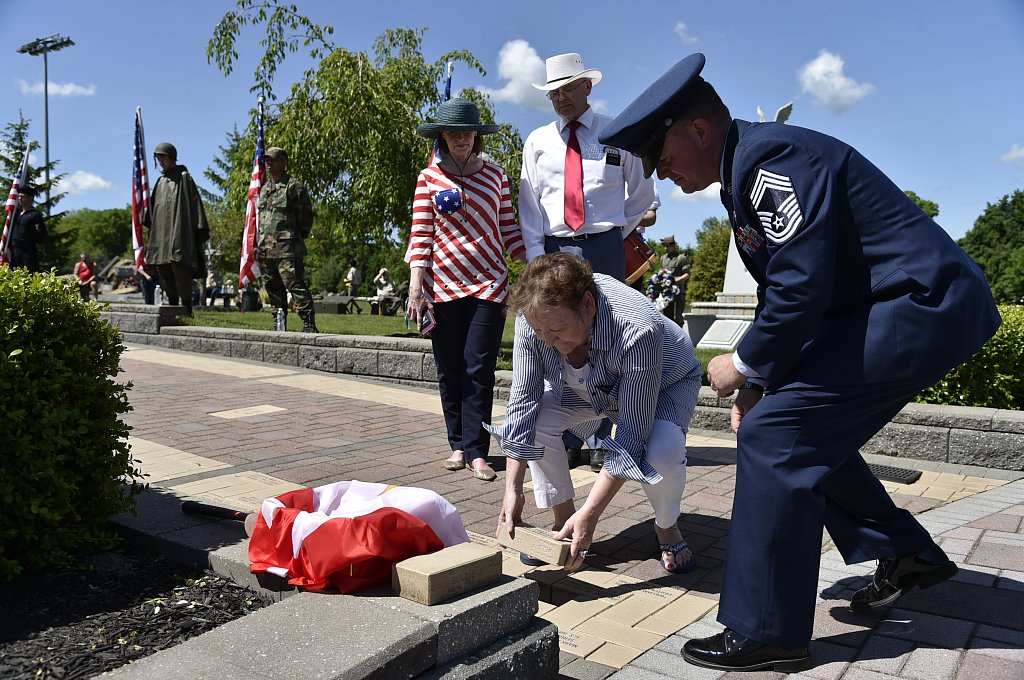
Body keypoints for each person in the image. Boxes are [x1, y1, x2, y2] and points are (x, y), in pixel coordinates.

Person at [599, 52, 1001, 672]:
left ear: (698, 130)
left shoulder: (768, 161)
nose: (663, 173)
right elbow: (795, 285)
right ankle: (903, 550)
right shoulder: (745, 172)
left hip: (921, 304)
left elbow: (801, 285)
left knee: (776, 437)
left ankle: (768, 631)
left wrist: (743, 364)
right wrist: (762, 382)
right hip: (888, 308)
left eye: (663, 156)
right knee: (796, 427)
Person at [489, 252, 702, 573]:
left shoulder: (636, 328)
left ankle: (666, 525)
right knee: (538, 421)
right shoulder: (534, 318)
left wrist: (592, 513)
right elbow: (522, 405)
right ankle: (563, 522)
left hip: (665, 383)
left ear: (588, 305)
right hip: (588, 385)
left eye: (555, 331)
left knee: (662, 452)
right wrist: (513, 489)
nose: (546, 341)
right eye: (539, 332)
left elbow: (631, 437)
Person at [521, 53, 658, 472]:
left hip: (603, 247)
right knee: (558, 339)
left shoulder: (618, 134)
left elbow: (640, 196)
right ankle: (567, 433)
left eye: (567, 89)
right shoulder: (538, 142)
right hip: (555, 248)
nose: (560, 98)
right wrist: (535, 261)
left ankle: (602, 435)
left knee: (605, 336)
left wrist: (612, 235)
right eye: (552, 93)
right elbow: (529, 208)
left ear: (587, 87)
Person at [406, 97, 526, 482]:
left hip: (490, 284)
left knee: (479, 368)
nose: (460, 139)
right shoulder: (429, 178)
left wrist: (533, 269)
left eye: (467, 131)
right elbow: (421, 234)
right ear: (442, 135)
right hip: (441, 287)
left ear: (477, 134)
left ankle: (477, 451)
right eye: (453, 132)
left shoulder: (496, 175)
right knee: (449, 369)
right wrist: (415, 288)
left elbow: (509, 228)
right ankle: (456, 443)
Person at [257, 146, 318, 333]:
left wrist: (296, 237)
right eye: (267, 159)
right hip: (266, 248)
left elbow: (306, 216)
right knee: (272, 288)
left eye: (273, 160)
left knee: (296, 285)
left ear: (283, 162)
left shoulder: (293, 186)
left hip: (287, 248)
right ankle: (279, 323)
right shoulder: (265, 188)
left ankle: (308, 324)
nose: (268, 163)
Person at [148, 142, 209, 316]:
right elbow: (153, 211)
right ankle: (172, 307)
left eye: (163, 157)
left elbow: (195, 204)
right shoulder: (160, 182)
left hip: (179, 234)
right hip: (161, 237)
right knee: (165, 270)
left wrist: (196, 230)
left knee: (180, 269)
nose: (160, 161)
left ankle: (187, 309)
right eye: (158, 157)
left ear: (172, 158)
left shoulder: (184, 177)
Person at [7, 185, 47, 272]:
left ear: (30, 198)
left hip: (28, 251)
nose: (20, 199)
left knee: (29, 273)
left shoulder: (34, 215)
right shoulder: (16, 214)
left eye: (22, 196)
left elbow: (42, 234)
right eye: (19, 196)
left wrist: (30, 241)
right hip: (14, 251)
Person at [657, 235, 690, 324]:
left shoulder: (681, 258)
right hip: (666, 291)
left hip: (678, 291)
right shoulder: (663, 258)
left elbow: (687, 274)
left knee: (678, 317)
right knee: (667, 317)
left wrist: (677, 279)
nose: (665, 248)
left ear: (673, 246)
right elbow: (661, 272)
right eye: (664, 246)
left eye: (667, 246)